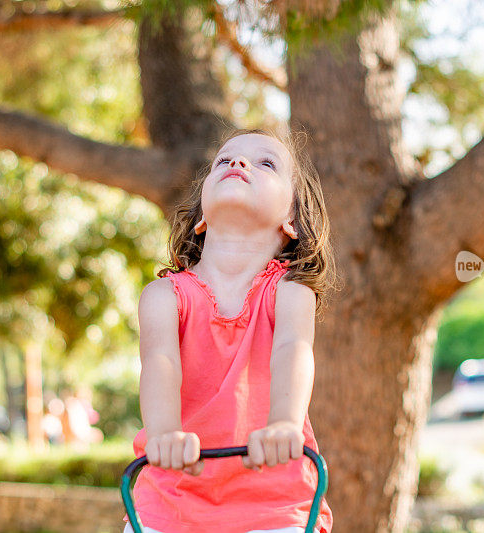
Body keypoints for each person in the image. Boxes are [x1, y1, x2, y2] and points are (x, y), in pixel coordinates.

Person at [123, 127, 338, 533]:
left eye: (266, 163)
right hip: (174, 500)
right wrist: (165, 434)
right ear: (202, 215)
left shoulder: (290, 291)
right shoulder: (164, 296)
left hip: (272, 499)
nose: (239, 163)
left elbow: (293, 349)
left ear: (291, 218)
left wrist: (284, 425)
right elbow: (160, 363)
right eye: (225, 160)